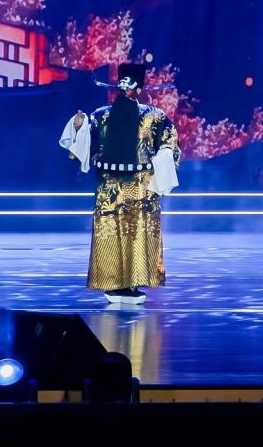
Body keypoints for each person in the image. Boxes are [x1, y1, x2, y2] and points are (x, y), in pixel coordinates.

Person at [60, 63, 180, 306]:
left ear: (139, 88)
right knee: (110, 234)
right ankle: (113, 282)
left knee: (138, 234)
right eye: (122, 83)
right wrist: (78, 126)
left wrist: (166, 153)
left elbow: (170, 141)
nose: (125, 88)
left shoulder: (154, 116)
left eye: (130, 84)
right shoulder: (101, 115)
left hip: (141, 185)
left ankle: (133, 283)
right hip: (109, 186)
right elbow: (86, 144)